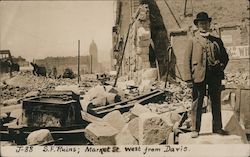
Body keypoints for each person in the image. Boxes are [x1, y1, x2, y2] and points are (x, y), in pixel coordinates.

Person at [183, 12, 229, 138]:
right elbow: (186, 59)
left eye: (206, 23)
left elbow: (225, 57)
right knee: (197, 103)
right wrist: (188, 78)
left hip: (214, 76)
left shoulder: (217, 41)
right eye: (201, 23)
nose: (204, 25)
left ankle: (218, 128)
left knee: (215, 102)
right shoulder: (192, 41)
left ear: (209, 24)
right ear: (197, 25)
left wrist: (220, 67)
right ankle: (195, 129)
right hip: (198, 76)